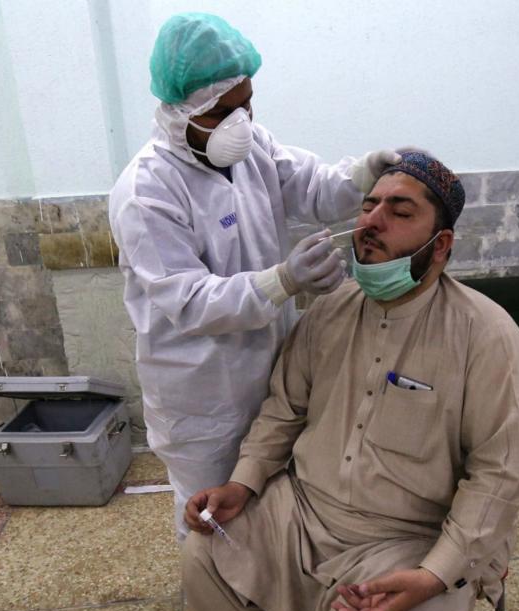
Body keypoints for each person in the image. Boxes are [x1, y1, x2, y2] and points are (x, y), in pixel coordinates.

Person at [179, 152, 519, 611]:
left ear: (441, 242)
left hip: (409, 537)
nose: (372, 220)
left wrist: (434, 575)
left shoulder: (488, 336)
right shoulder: (329, 309)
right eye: (369, 205)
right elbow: (283, 410)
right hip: (305, 508)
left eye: (399, 212)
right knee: (204, 549)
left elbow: (499, 477)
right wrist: (242, 484)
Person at [109, 12, 400, 539]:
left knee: (271, 504)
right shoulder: (146, 191)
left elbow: (314, 189)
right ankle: (219, 607)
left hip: (273, 374)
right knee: (214, 518)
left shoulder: (253, 150)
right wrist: (283, 281)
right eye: (224, 111)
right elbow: (190, 301)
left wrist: (362, 175)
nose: (240, 120)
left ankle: (268, 596)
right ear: (183, 111)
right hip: (202, 397)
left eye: (246, 103)